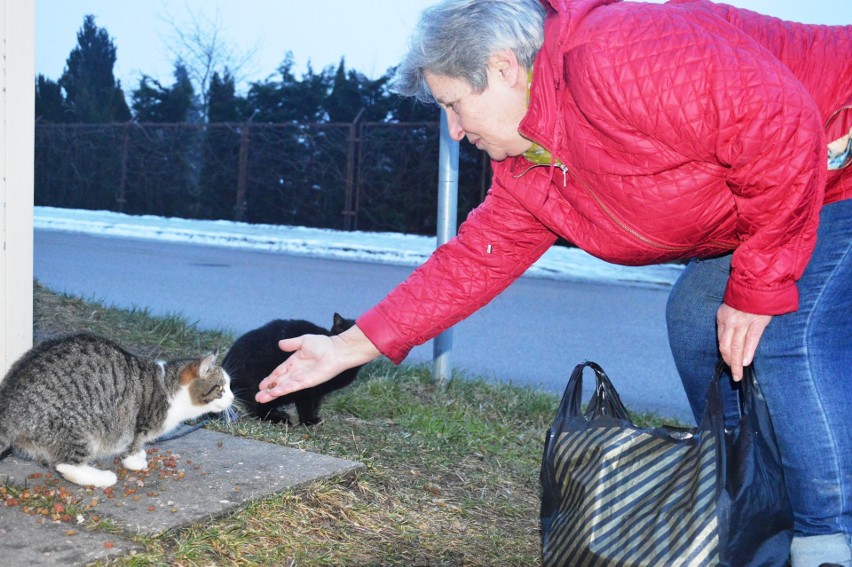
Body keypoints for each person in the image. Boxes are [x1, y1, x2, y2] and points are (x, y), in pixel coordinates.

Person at [256, 0, 851, 563]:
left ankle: (830, 539)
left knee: (786, 330)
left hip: (833, 155)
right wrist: (343, 348)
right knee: (694, 318)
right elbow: (472, 262)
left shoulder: (613, 54)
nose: (455, 131)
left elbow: (781, 121)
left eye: (453, 104)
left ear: (503, 68)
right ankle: (750, 499)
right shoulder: (530, 164)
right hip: (778, 196)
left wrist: (759, 288)